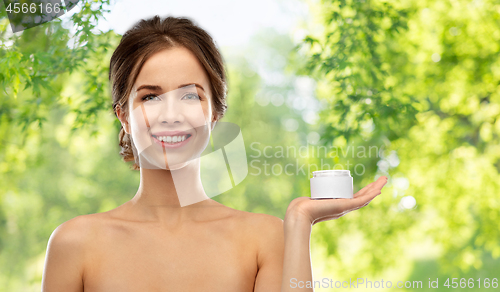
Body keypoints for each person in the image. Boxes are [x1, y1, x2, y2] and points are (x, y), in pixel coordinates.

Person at [41, 15, 388, 292]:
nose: (171, 114)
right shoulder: (75, 244)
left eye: (190, 95)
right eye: (150, 96)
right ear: (124, 116)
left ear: (215, 113)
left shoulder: (264, 239)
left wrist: (299, 222)